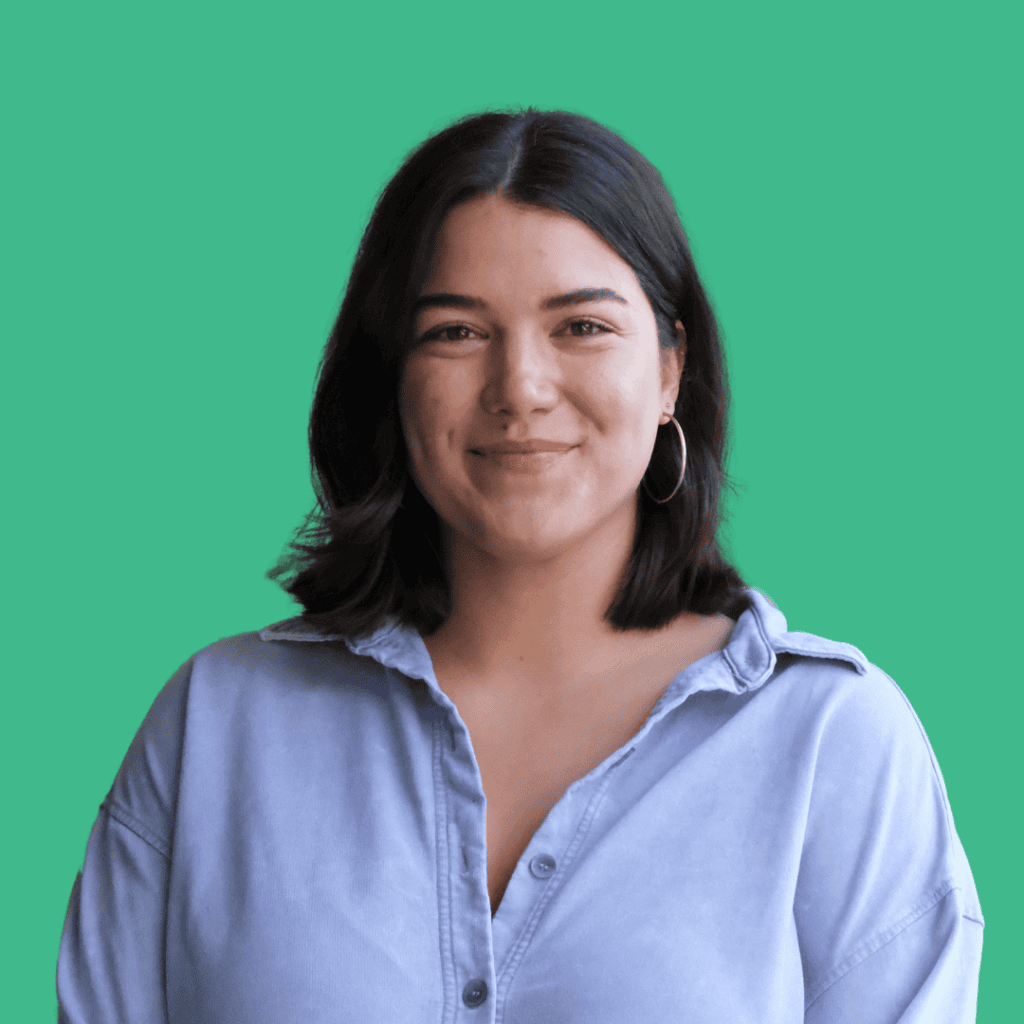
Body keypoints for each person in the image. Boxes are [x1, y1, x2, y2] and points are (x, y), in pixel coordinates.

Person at [56, 107, 983, 1022]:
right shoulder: (217, 724)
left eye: (581, 327)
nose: (520, 390)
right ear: (392, 377)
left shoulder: (834, 741)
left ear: (669, 372)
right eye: (456, 332)